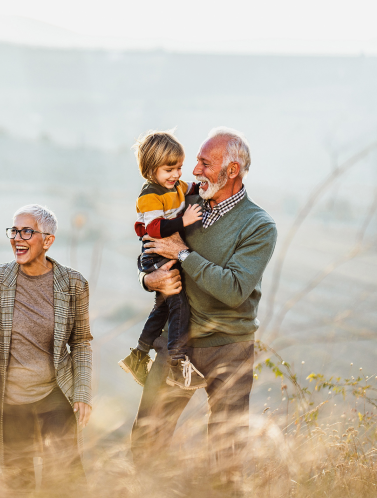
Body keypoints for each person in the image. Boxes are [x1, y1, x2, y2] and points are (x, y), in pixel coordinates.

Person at [130, 127, 277, 489]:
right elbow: (151, 244)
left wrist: (182, 253)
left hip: (229, 345)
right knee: (146, 440)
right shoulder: (188, 200)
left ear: (232, 171)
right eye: (195, 160)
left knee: (226, 456)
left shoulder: (259, 226)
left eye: (204, 163)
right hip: (177, 339)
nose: (194, 170)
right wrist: (149, 280)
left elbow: (234, 289)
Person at [0, 204, 92, 493]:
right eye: (14, 231)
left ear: (48, 240)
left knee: (66, 482)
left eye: (27, 231)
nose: (17, 238)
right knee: (19, 485)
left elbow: (80, 341)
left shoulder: (73, 283)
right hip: (10, 403)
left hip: (53, 397)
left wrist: (82, 391)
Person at [118, 130, 204, 389]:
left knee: (163, 308)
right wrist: (184, 221)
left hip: (164, 253)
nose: (177, 174)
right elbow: (155, 228)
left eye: (179, 167)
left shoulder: (175, 186)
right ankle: (177, 365)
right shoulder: (149, 196)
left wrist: (205, 186)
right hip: (155, 255)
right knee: (180, 306)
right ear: (151, 169)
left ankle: (138, 355)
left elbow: (193, 187)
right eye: (169, 169)